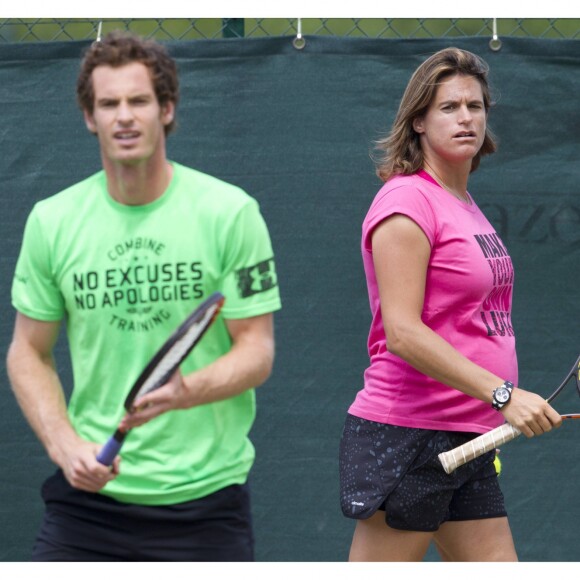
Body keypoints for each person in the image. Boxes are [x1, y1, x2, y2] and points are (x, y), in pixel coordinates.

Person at [7, 31, 281, 562]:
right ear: (90, 117)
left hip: (206, 505)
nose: (124, 116)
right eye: (108, 104)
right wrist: (65, 447)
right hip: (88, 506)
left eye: (138, 101)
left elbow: (257, 351)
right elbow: (27, 352)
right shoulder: (52, 221)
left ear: (167, 109)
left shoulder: (230, 213)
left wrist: (186, 389)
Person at [339, 47, 561, 562]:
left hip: (470, 438)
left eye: (476, 106)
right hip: (409, 437)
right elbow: (403, 331)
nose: (466, 117)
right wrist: (505, 394)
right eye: (448, 107)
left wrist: (495, 403)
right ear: (418, 121)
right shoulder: (406, 202)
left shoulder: (463, 204)